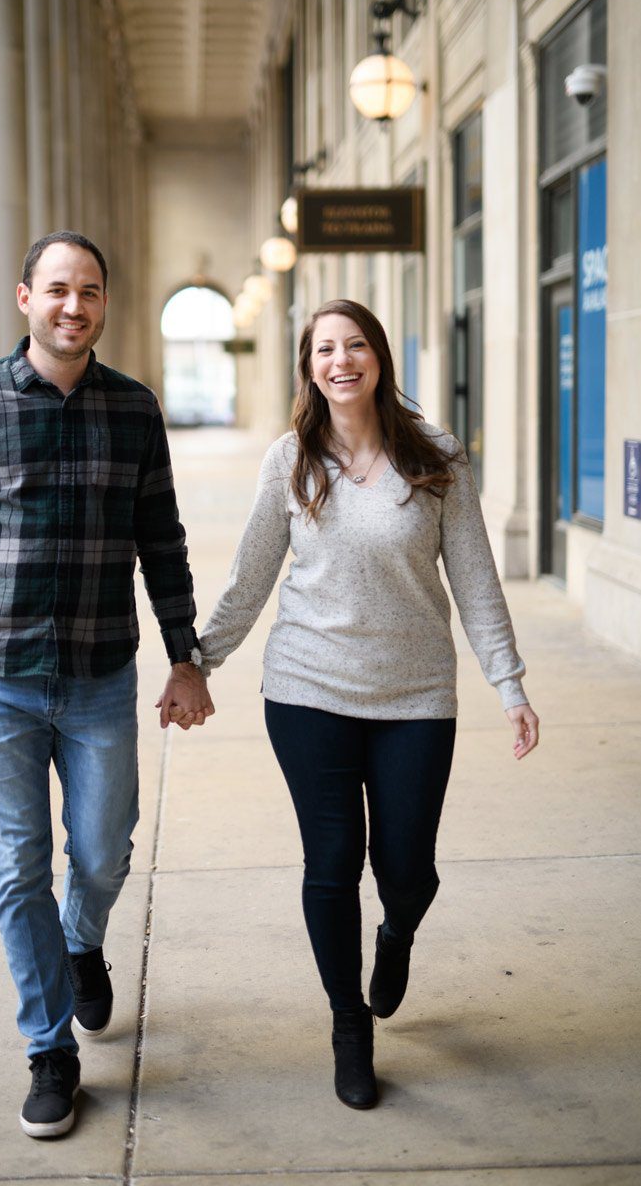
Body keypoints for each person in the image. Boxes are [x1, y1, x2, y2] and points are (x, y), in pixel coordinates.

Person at [0, 230, 213, 1140]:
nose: (75, 306)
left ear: (105, 304)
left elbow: (163, 538)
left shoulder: (133, 408)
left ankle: (82, 941)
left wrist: (184, 655)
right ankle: (49, 1048)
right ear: (26, 298)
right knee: (17, 866)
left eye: (91, 292)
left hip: (101, 672)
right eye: (58, 290)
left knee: (106, 848)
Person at [192, 299, 539, 1110]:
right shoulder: (290, 459)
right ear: (308, 366)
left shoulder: (435, 454)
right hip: (308, 689)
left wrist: (508, 682)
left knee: (407, 871)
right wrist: (198, 663)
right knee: (332, 863)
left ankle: (396, 933)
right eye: (324, 348)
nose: (340, 360)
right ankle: (350, 1026)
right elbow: (250, 577)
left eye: (354, 346)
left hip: (416, 694)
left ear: (378, 357)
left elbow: (476, 579)